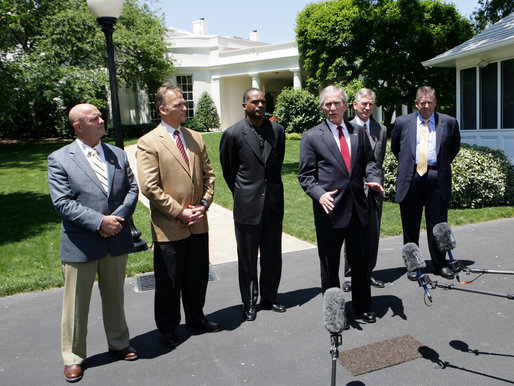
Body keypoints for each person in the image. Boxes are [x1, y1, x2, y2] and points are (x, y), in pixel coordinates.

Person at [48, 103, 139, 383]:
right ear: (78, 126)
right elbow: (62, 202)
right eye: (94, 118)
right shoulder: (60, 159)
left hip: (115, 239)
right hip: (81, 245)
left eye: (100, 116)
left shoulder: (117, 154)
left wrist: (116, 220)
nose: (102, 121)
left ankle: (119, 342)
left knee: (115, 297)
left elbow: (132, 190)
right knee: (75, 306)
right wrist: (100, 222)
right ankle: (73, 357)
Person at [137, 84, 219, 349]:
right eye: (179, 105)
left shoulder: (196, 137)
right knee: (169, 283)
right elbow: (149, 187)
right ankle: (168, 329)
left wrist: (203, 205)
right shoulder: (149, 142)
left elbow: (210, 176)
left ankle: (196, 319)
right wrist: (179, 212)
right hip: (170, 226)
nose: (185, 108)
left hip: (198, 222)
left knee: (197, 276)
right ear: (162, 110)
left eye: (184, 104)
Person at [298, 85, 384, 325]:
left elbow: (370, 163)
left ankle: (363, 305)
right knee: (329, 264)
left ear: (346, 105)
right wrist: (319, 195)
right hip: (330, 210)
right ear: (323, 107)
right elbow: (305, 176)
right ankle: (334, 313)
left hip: (358, 208)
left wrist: (374, 180)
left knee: (360, 261)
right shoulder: (312, 136)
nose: (332, 108)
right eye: (328, 104)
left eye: (337, 103)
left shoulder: (358, 132)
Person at [219, 88, 286, 322]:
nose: (259, 105)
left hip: (273, 204)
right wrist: (244, 193)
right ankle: (249, 302)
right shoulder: (232, 134)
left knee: (272, 255)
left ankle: (270, 296)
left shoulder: (277, 131)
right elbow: (229, 171)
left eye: (263, 101)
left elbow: (276, 168)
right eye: (254, 101)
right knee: (247, 258)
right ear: (244, 105)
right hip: (247, 205)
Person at [391, 86, 460, 280]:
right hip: (411, 178)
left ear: (435, 102)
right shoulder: (402, 123)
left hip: (437, 178)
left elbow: (453, 148)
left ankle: (440, 263)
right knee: (410, 226)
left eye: (430, 102)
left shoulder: (449, 123)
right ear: (416, 103)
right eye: (423, 102)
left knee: (438, 225)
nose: (426, 106)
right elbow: (396, 148)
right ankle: (413, 266)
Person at [343, 88, 387, 292]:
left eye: (371, 104)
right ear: (354, 105)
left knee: (373, 233)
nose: (367, 107)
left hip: (375, 192)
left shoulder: (381, 129)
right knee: (352, 234)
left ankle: (368, 273)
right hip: (353, 191)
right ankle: (351, 276)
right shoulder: (345, 128)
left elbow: (379, 161)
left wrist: (376, 182)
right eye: (363, 104)